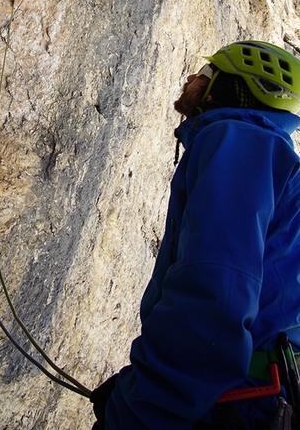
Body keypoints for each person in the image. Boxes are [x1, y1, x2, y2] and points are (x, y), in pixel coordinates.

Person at [90, 41, 300, 430]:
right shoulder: (271, 155)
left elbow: (216, 300)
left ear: (238, 85)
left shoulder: (244, 140)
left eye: (205, 74)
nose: (191, 78)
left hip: (235, 402)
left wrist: (140, 409)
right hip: (254, 394)